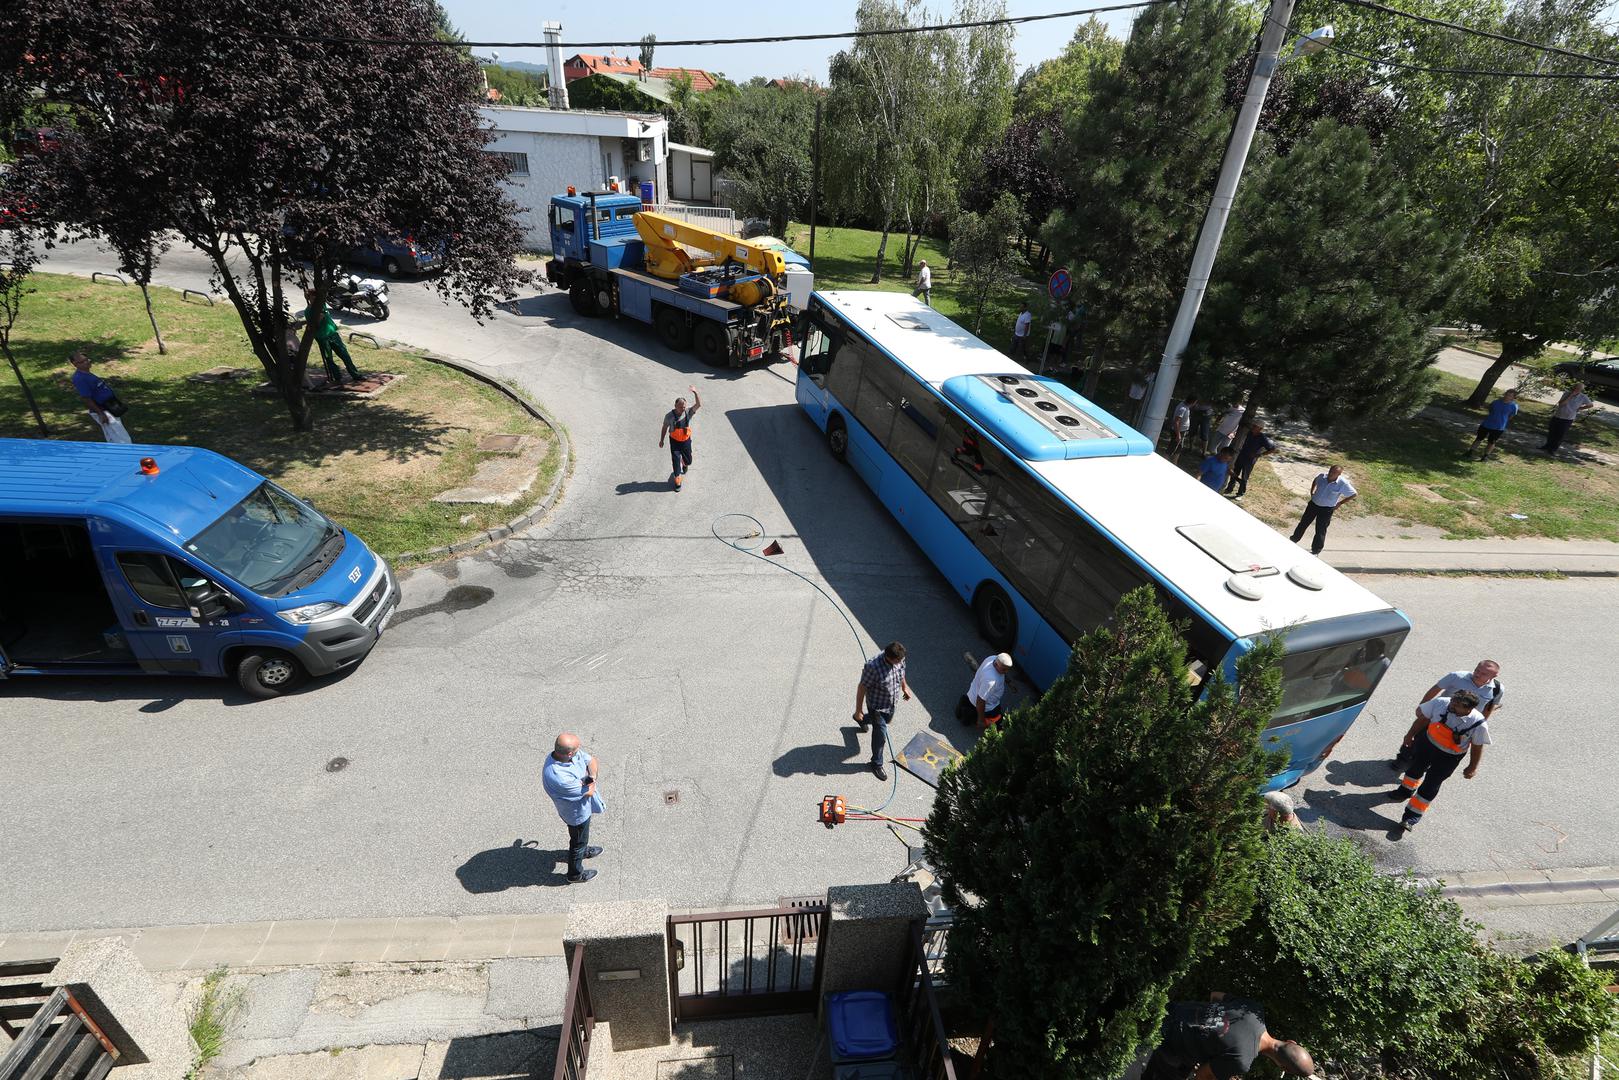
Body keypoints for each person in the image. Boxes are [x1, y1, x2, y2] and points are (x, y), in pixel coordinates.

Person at [1143, 996, 1315, 1080]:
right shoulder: (1241, 1061)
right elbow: (1202, 1076)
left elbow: (1216, 995)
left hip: (1172, 1009)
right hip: (1169, 1042)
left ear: (1291, 1041)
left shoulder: (1254, 1011)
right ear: (1282, 1067)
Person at [1388, 690, 1487, 833]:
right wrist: (1409, 735)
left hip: (1449, 757)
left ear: (1468, 709)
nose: (1452, 705)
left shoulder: (1478, 723)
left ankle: (1410, 818)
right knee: (1414, 770)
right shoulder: (1441, 703)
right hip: (1427, 744)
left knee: (1431, 784)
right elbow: (1422, 720)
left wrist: (1472, 767)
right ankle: (1404, 791)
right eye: (1453, 701)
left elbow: (1477, 746)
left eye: (1457, 705)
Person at [1394, 661, 1504, 768]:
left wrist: (1480, 724)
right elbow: (1436, 688)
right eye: (1477, 670)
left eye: (1483, 673)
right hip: (1440, 715)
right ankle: (1403, 758)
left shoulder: (1498, 689)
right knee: (1419, 736)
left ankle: (1424, 764)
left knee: (1442, 745)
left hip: (1463, 723)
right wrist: (1423, 705)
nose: (1478, 674)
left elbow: (1489, 707)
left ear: (1494, 675)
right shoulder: (1457, 677)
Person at [540, 732, 604, 883]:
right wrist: (591, 781)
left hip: (581, 808)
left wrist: (592, 777)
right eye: (576, 750)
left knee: (580, 838)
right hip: (576, 814)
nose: (579, 752)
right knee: (577, 843)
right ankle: (575, 874)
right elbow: (589, 792)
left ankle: (584, 849)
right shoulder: (560, 777)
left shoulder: (564, 754)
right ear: (569, 753)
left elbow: (591, 761)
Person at [854, 641, 911, 781]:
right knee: (881, 735)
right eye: (898, 661)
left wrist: (905, 687)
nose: (900, 662)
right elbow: (862, 688)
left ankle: (860, 719)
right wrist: (858, 709)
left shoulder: (900, 659)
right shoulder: (872, 667)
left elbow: (901, 671)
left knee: (887, 721)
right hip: (876, 706)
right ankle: (876, 763)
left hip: (891, 704)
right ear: (889, 658)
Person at [1288, 465, 1357, 556]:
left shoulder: (1343, 483)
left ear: (1339, 474)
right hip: (1313, 505)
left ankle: (1316, 550)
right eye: (1330, 471)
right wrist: (1312, 491)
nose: (1330, 474)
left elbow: (1353, 494)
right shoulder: (1322, 477)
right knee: (1303, 523)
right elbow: (1315, 480)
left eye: (1333, 473)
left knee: (1320, 529)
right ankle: (1293, 540)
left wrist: (1340, 503)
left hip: (1326, 509)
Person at [69, 351, 133, 443]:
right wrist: (101, 413)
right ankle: (127, 453)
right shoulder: (80, 378)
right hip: (103, 410)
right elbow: (86, 398)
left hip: (110, 406)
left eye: (87, 359)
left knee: (113, 435)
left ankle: (116, 453)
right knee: (121, 437)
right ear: (75, 364)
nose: (87, 362)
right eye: (83, 361)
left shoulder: (88, 374)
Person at [302, 291, 363, 385]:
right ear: (308, 298)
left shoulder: (321, 305)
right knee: (329, 358)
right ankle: (337, 376)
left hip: (333, 334)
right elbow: (314, 325)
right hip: (322, 337)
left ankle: (355, 374)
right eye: (312, 297)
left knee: (344, 354)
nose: (315, 299)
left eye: (316, 296)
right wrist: (317, 318)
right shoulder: (308, 311)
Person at [658, 385, 702, 491]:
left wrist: (695, 392)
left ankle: (685, 463)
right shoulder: (669, 416)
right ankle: (677, 479)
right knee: (675, 460)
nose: (682, 409)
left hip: (686, 441)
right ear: (675, 406)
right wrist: (662, 440)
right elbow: (664, 427)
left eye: (684, 407)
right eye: (680, 406)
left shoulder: (688, 412)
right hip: (674, 442)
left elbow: (698, 404)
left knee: (689, 461)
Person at [957, 652, 1013, 729]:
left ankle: (966, 707)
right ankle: (973, 716)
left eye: (1007, 669)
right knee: (1001, 723)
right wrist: (981, 721)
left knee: (971, 705)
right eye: (1004, 670)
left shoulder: (992, 658)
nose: (1006, 672)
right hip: (988, 706)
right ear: (996, 664)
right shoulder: (991, 681)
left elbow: (1003, 670)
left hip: (972, 694)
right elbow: (980, 701)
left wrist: (1008, 681)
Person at [1223, 421, 1277, 498]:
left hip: (1249, 460)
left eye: (1256, 426)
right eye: (1253, 425)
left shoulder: (1262, 438)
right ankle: (1229, 488)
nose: (1253, 427)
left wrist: (1259, 455)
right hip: (1241, 456)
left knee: (1244, 477)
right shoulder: (1249, 433)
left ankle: (1240, 494)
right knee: (1234, 473)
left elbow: (1273, 449)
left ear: (1260, 429)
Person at [1542, 382, 1595, 455]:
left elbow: (1590, 405)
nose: (1576, 389)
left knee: (1560, 435)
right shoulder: (1566, 393)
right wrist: (1570, 396)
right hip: (1557, 416)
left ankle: (1553, 449)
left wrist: (1580, 408)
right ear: (1573, 387)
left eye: (1579, 389)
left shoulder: (1583, 397)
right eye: (1576, 387)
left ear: (1581, 390)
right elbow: (1561, 404)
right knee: (1552, 432)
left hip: (1568, 419)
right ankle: (1547, 446)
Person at [1464, 389, 1518, 461]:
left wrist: (1503, 421)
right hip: (1486, 424)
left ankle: (1485, 456)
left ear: (1513, 398)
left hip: (1498, 427)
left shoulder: (1514, 406)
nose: (1507, 396)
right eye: (1507, 394)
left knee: (1491, 442)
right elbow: (1491, 410)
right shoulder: (1496, 402)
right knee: (1479, 438)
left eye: (1510, 396)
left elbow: (1511, 416)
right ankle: (1469, 452)